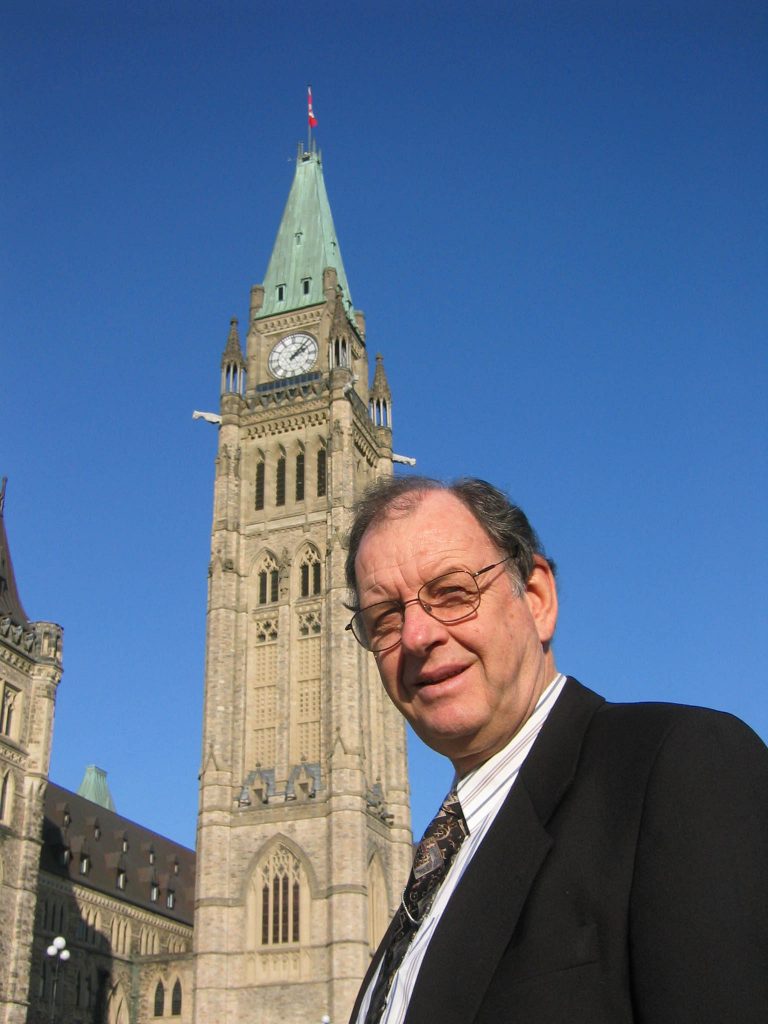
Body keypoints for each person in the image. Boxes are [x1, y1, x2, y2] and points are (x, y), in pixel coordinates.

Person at [344, 476, 768, 1024]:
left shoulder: (680, 766)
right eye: (386, 618)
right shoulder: (432, 867)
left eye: (452, 592)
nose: (419, 635)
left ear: (538, 599)